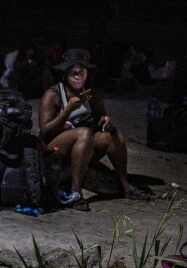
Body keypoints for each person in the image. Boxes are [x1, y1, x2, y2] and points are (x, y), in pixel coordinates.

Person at [38, 49, 151, 211]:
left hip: (83, 146)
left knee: (111, 135)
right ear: (65, 74)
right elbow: (45, 131)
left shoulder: (91, 93)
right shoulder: (54, 94)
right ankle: (76, 192)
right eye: (73, 73)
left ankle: (126, 185)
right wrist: (67, 110)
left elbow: (100, 116)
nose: (78, 76)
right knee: (84, 132)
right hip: (55, 149)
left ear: (87, 73)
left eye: (81, 72)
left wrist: (105, 120)